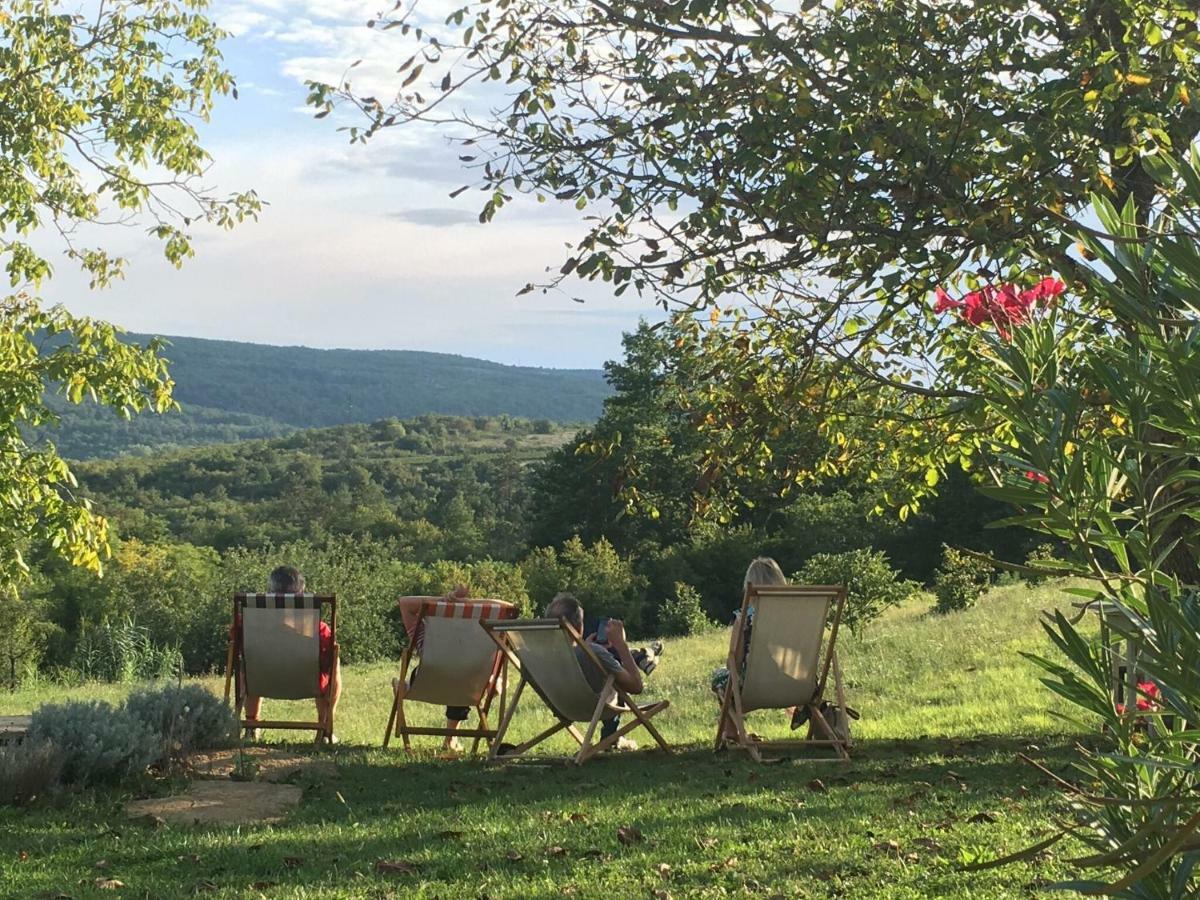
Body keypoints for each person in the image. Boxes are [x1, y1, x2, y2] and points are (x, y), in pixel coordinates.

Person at [242, 566, 342, 743]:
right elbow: (327, 658)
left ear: (270, 591)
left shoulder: (250, 624)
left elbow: (236, 644)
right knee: (335, 659)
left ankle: (251, 726)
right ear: (301, 592)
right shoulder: (317, 629)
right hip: (306, 681)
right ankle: (325, 728)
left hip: (260, 680)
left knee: (245, 662)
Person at [544, 592, 646, 748]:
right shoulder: (594, 652)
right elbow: (636, 687)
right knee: (614, 667)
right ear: (579, 627)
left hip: (562, 707)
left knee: (608, 663)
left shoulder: (538, 655)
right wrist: (621, 645)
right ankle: (612, 738)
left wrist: (585, 646)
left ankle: (642, 655)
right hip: (596, 708)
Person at [711, 556, 788, 742]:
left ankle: (735, 733)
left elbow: (734, 663)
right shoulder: (795, 615)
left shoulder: (746, 617)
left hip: (755, 687)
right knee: (728, 679)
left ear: (749, 585)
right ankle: (731, 733)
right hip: (797, 684)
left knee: (721, 678)